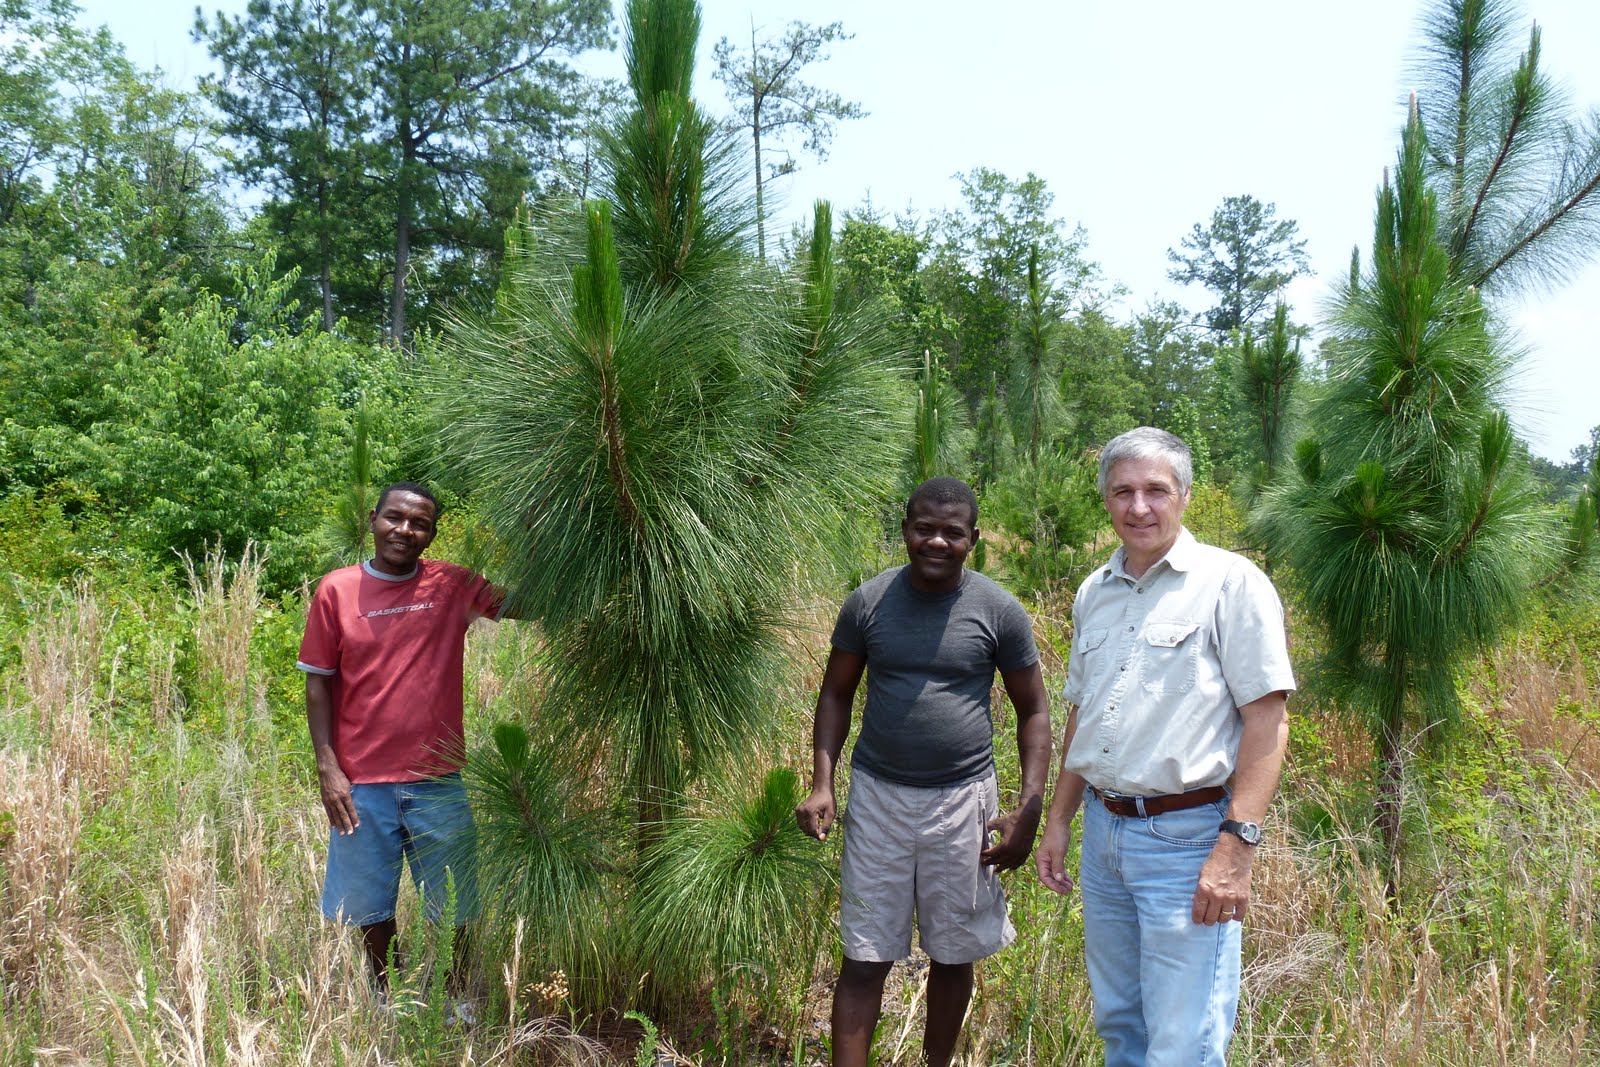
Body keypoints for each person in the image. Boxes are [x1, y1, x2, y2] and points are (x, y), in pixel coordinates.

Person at [1035, 427, 1295, 1067]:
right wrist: (1060, 820)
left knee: (1184, 1040)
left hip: (1187, 841)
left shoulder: (1232, 584)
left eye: (1156, 490)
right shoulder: (1095, 592)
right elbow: (1083, 715)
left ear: (1184, 495)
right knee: (1122, 1023)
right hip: (1105, 836)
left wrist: (1237, 846)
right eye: (1123, 491)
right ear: (1106, 501)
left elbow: (1268, 722)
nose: (1139, 507)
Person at [795, 476, 1053, 1067]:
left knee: (953, 953)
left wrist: (1028, 806)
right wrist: (821, 783)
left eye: (952, 532)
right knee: (864, 957)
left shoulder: (997, 610)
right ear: (905, 530)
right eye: (924, 529)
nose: (936, 541)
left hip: (964, 801)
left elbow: (1033, 709)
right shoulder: (869, 602)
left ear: (974, 539)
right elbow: (835, 694)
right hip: (879, 797)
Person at [296, 481, 508, 1003]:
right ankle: (385, 998)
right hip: (361, 781)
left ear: (432, 534)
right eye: (395, 518)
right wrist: (328, 768)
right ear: (373, 520)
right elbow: (317, 681)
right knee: (369, 907)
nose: (405, 530)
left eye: (419, 524)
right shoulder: (337, 590)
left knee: (457, 904)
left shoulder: (453, 585)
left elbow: (527, 604)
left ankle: (458, 1002)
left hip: (438, 778)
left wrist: (547, 535)